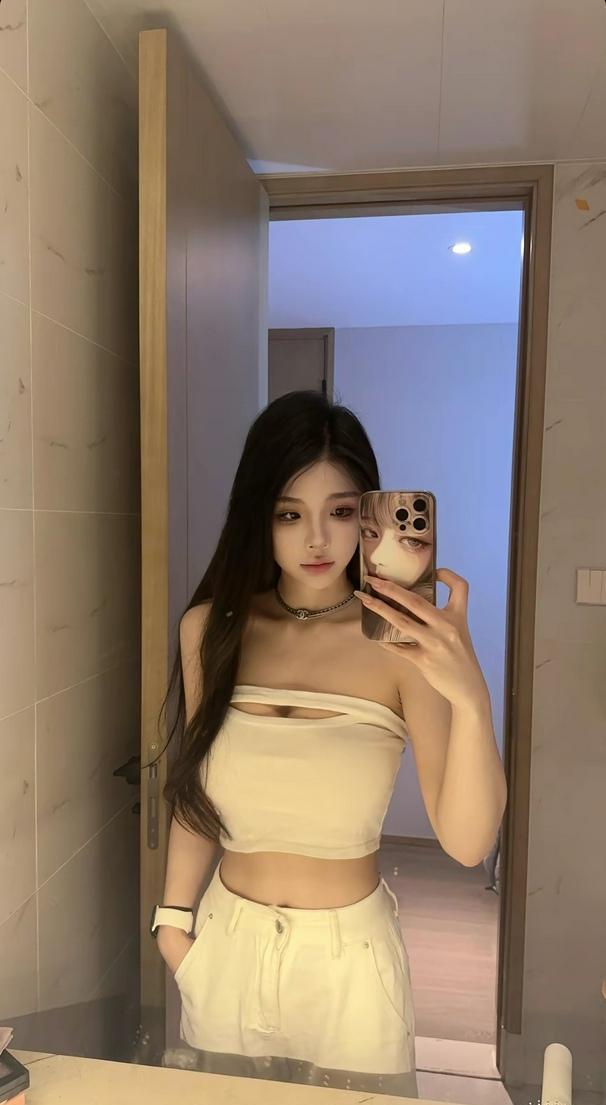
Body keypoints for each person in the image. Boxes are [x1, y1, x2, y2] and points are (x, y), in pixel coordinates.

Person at [150, 389, 507, 1097]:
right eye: (289, 514)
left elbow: (469, 843)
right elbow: (195, 799)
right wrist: (172, 925)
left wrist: (471, 695)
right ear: (258, 516)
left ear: (369, 514)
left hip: (352, 969)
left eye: (340, 512)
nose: (316, 540)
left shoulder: (402, 648)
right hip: (224, 950)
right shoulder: (209, 631)